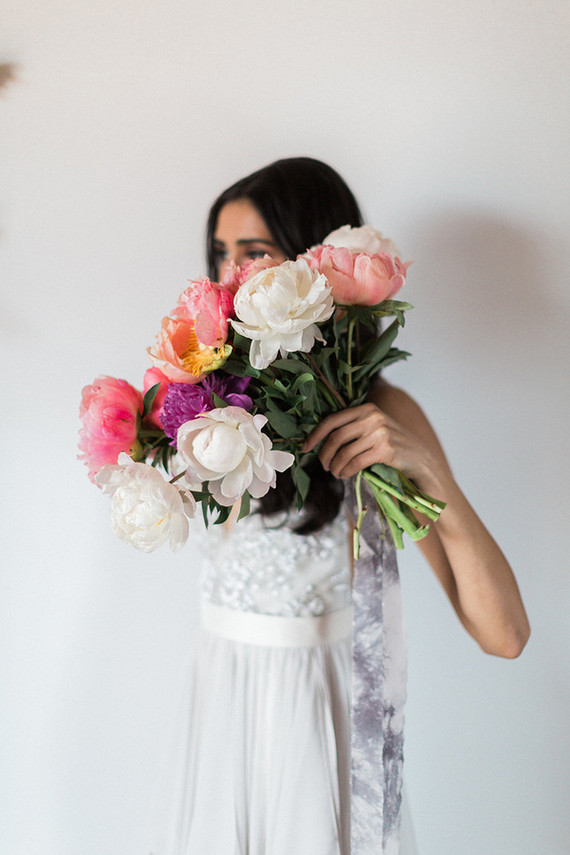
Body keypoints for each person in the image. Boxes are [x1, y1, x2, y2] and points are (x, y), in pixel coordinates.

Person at [149, 157, 530, 855]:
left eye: (255, 253)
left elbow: (504, 633)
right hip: (220, 720)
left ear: (309, 262)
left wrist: (428, 466)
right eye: (220, 256)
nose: (228, 278)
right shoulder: (205, 409)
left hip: (317, 734)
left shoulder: (376, 415)